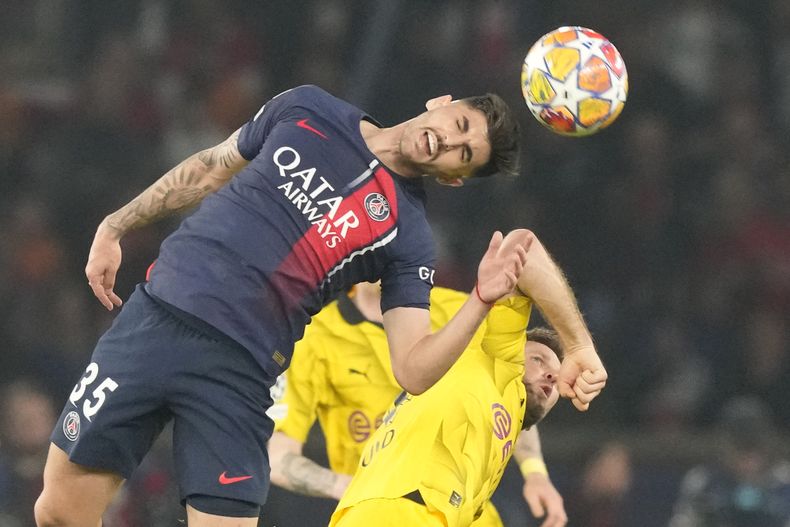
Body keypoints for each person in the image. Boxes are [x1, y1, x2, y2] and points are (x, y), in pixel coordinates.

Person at [34, 85, 605, 526]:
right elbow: (213, 165)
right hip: (154, 322)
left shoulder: (409, 237)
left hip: (236, 374)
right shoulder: (308, 107)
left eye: (463, 154)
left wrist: (486, 301)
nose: (448, 142)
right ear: (441, 103)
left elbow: (412, 368)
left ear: (456, 180)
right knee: (59, 512)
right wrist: (118, 223)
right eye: (458, 126)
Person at [328, 230, 603, 527]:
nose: (551, 372)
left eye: (557, 372)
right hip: (404, 511)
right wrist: (578, 345)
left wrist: (535, 472)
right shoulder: (495, 355)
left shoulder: (491, 431)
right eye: (537, 359)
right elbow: (522, 247)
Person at [267, 281, 567, 527]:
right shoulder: (316, 336)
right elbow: (278, 457)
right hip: (384, 507)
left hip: (465, 506)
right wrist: (338, 484)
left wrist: (535, 471)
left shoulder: (460, 310)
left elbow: (512, 384)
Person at [669, 396, 790, 527]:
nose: (747, 460)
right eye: (739, 451)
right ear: (725, 448)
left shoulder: (784, 480)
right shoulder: (704, 481)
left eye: (753, 450)